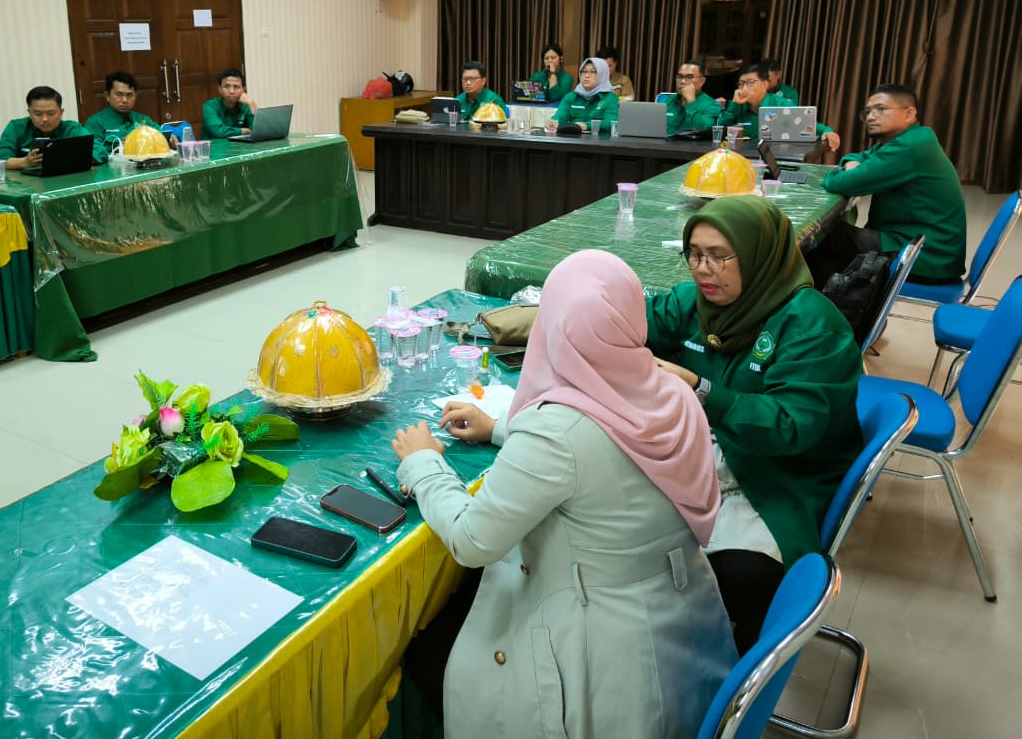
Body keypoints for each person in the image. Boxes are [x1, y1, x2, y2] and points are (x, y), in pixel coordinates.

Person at [392, 250, 736, 739]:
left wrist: (424, 464)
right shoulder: (672, 392)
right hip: (681, 628)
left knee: (431, 654)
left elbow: (473, 541)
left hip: (593, 657)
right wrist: (499, 429)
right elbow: (609, 450)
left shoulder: (554, 432)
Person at [647, 196, 862, 653]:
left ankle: (706, 655)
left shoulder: (811, 324)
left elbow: (791, 426)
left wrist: (702, 389)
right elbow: (625, 324)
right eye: (694, 253)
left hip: (778, 480)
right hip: (712, 459)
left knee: (730, 571)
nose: (703, 269)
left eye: (720, 256)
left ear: (761, 255)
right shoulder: (695, 302)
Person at [813, 84, 966, 284]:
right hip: (922, 245)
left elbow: (838, 183)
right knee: (830, 237)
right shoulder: (909, 139)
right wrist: (851, 163)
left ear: (909, 113)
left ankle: (829, 306)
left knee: (820, 235)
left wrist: (847, 171)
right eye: (867, 111)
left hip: (921, 255)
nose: (870, 116)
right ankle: (837, 302)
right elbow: (860, 156)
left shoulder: (908, 147)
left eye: (881, 109)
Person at [718, 64, 840, 151]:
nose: (744, 88)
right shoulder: (736, 105)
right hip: (742, 157)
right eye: (741, 83)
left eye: (750, 83)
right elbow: (719, 131)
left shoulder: (781, 104)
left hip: (775, 158)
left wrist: (827, 131)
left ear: (764, 85)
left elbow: (806, 124)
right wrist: (733, 105)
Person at [0, 86, 107, 171]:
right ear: (29, 113)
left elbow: (101, 152)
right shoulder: (16, 127)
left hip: (65, 180)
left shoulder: (72, 129)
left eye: (51, 113)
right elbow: (0, 161)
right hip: (25, 184)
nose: (45, 119)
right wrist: (25, 162)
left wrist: (68, 158)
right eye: (38, 114)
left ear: (61, 112)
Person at [84, 71, 168, 148]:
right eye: (119, 95)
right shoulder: (95, 122)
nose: (124, 100)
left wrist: (170, 139)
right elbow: (93, 152)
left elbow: (162, 136)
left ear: (136, 95)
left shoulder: (143, 120)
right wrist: (120, 147)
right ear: (107, 96)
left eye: (129, 95)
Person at [548, 57, 619, 133]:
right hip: (573, 141)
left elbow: (610, 123)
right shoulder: (571, 97)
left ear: (602, 75)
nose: (587, 75)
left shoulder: (610, 98)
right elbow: (560, 116)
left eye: (593, 72)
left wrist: (585, 126)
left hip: (600, 142)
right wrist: (553, 122)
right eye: (584, 72)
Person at [663, 59, 722, 135]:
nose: (682, 81)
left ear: (702, 81)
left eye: (689, 77)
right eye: (679, 76)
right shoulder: (669, 100)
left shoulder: (712, 105)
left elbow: (700, 132)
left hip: (689, 146)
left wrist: (691, 101)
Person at [201, 68, 258, 139]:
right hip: (214, 148)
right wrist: (244, 131)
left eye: (236, 87)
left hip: (240, 148)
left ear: (243, 90)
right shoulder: (210, 106)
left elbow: (258, 130)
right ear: (219, 89)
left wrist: (251, 103)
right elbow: (219, 131)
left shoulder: (246, 105)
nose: (231, 91)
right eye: (227, 86)